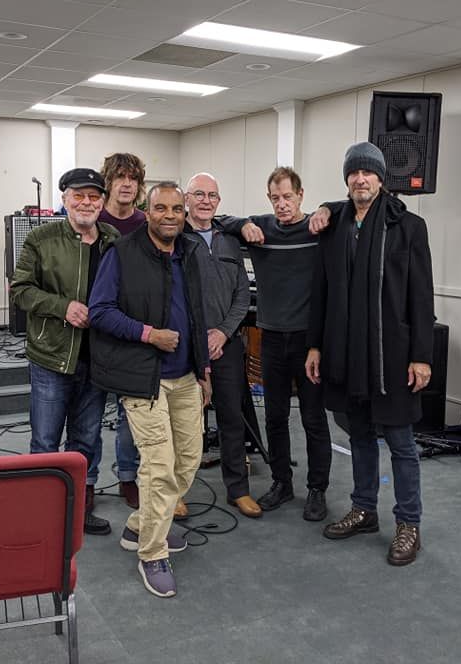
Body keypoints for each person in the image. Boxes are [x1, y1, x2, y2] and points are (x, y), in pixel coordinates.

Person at [305, 141, 435, 566]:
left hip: (392, 357)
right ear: (347, 179)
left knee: (401, 444)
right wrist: (315, 345)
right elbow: (320, 292)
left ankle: (408, 524)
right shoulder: (335, 223)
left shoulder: (409, 226)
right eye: (354, 173)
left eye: (368, 173)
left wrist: (422, 355)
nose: (361, 179)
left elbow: (421, 295)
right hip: (346, 352)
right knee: (358, 435)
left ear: (381, 178)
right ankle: (363, 509)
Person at [89, 182, 212, 598]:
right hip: (143, 377)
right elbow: (100, 311)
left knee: (188, 459)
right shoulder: (120, 254)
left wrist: (204, 369)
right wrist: (148, 335)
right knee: (158, 465)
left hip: (186, 378)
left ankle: (141, 523)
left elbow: (197, 313)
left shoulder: (189, 253)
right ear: (147, 209)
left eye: (178, 208)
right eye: (161, 208)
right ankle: (152, 553)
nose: (170, 215)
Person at [216, 167, 334, 522]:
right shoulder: (262, 227)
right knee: (276, 417)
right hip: (271, 338)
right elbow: (217, 219)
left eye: (288, 197)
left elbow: (349, 206)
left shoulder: (318, 228)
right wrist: (242, 224)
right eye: (275, 198)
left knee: (313, 418)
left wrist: (327, 208)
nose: (282, 205)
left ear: (300, 195)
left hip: (309, 341)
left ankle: (317, 489)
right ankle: (283, 482)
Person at [10, 167, 119, 537]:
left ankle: (79, 508)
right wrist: (63, 307)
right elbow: (20, 290)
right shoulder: (41, 238)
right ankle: (43, 508)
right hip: (51, 354)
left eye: (93, 197)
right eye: (79, 196)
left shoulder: (113, 239)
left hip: (97, 356)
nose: (86, 203)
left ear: (102, 202)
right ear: (64, 199)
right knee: (45, 439)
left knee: (87, 438)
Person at [184, 172, 259, 518]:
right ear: (186, 199)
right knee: (182, 423)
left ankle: (238, 490)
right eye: (198, 194)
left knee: (232, 417)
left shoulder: (229, 239)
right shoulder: (174, 237)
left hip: (226, 344)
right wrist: (200, 336)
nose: (205, 201)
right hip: (185, 346)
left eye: (212, 195)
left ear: (218, 201)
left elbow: (242, 294)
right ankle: (174, 493)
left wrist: (223, 332)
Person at [90, 153, 146, 511]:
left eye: (133, 178)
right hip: (95, 331)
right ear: (107, 182)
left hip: (133, 333)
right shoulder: (93, 218)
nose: (126, 184)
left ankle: (128, 476)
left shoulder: (146, 222)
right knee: (89, 416)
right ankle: (88, 483)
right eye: (120, 177)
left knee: (131, 417)